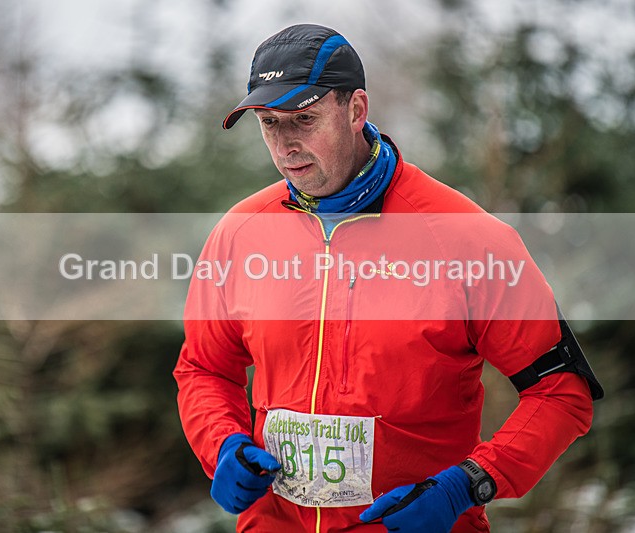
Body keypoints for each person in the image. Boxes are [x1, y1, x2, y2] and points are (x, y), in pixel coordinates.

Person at [174, 24, 603, 533]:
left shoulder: (465, 239)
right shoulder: (240, 233)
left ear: (356, 110)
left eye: (304, 120)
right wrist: (221, 444)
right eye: (269, 124)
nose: (286, 145)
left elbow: (560, 390)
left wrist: (467, 484)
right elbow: (203, 368)